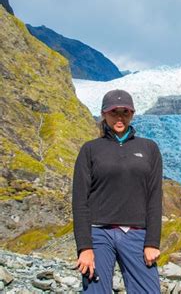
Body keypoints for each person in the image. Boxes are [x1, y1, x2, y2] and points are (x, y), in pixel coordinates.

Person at [72, 89, 163, 293]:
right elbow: (80, 201)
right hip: (98, 234)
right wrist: (85, 247)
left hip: (137, 234)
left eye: (125, 112)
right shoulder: (90, 149)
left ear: (132, 113)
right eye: (114, 112)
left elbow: (155, 198)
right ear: (104, 114)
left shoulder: (149, 148)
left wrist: (152, 242)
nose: (120, 117)